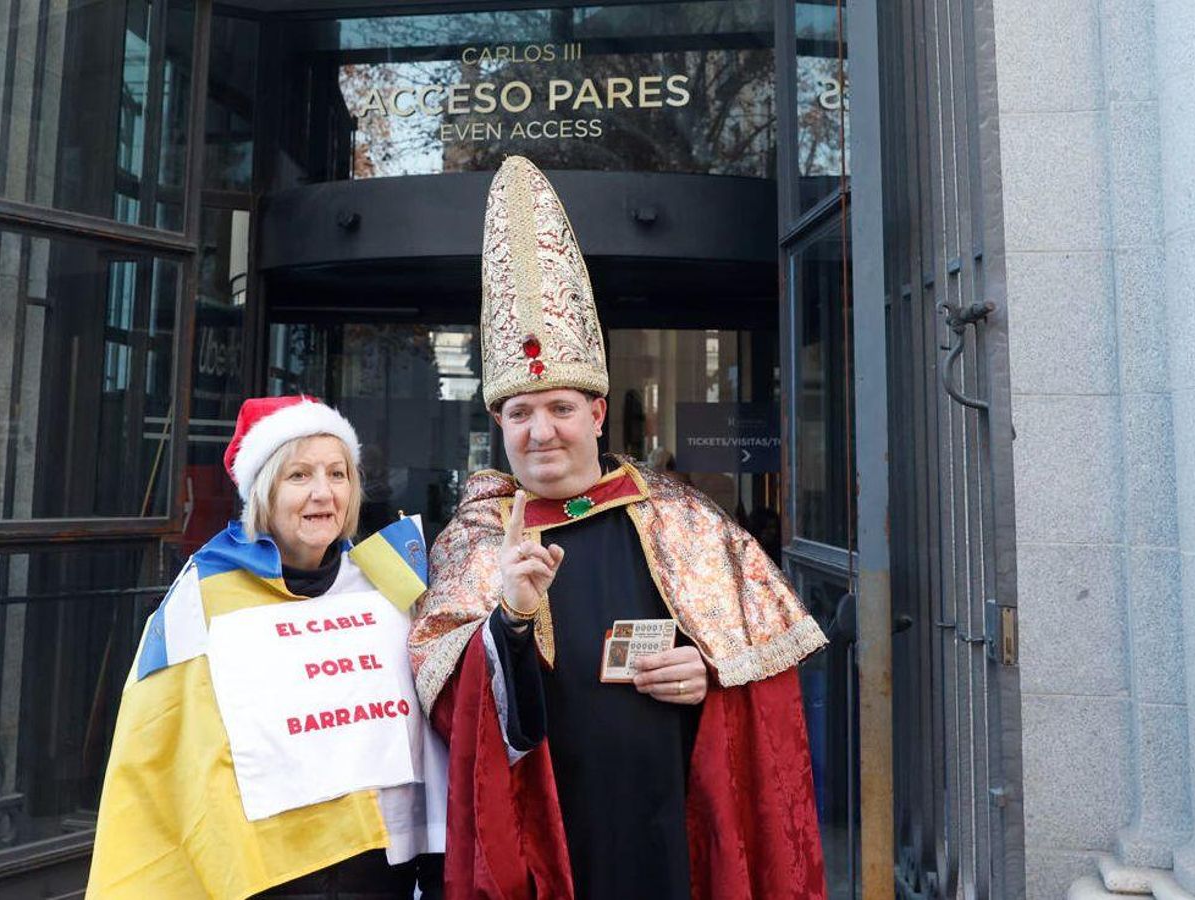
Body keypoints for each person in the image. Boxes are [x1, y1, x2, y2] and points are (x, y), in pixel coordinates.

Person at [408, 157, 829, 899]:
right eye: (520, 413)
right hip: (547, 837)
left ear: (598, 413)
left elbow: (764, 698)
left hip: (669, 830)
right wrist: (510, 621)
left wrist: (709, 679)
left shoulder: (684, 520)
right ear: (499, 424)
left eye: (561, 408)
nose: (541, 431)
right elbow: (449, 711)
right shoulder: (475, 540)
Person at [90, 395, 445, 899]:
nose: (323, 493)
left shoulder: (385, 583)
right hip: (265, 876)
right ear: (263, 490)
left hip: (380, 872)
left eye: (338, 474)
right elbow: (159, 749)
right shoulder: (203, 596)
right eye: (299, 475)